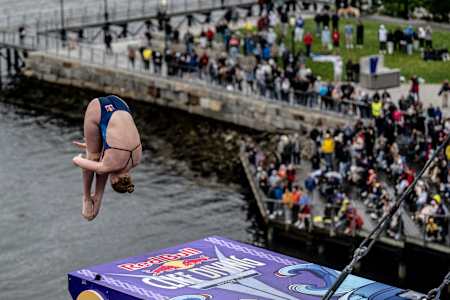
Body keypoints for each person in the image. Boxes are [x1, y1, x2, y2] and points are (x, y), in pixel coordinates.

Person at [72, 95, 142, 221]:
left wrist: (92, 143)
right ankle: (87, 198)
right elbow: (79, 161)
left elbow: (117, 140)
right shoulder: (111, 165)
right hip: (98, 108)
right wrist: (81, 157)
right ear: (114, 181)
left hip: (121, 104)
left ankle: (96, 199)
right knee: (93, 157)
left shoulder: (137, 159)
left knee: (102, 157)